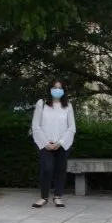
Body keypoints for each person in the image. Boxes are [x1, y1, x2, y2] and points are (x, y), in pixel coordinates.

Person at [31, 80, 76, 208]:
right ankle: (43, 197)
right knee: (47, 168)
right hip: (45, 144)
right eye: (55, 88)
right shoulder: (42, 104)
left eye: (60, 88)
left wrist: (60, 142)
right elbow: (35, 125)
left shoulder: (68, 106)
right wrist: (46, 142)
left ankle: (58, 196)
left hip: (62, 144)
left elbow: (72, 127)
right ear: (50, 89)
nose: (57, 90)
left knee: (60, 169)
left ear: (64, 91)